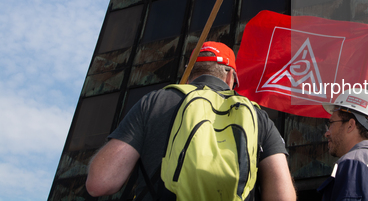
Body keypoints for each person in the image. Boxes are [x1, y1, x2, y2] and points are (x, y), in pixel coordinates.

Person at [86, 41, 296, 201]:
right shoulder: (258, 116)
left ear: (189, 76)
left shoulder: (156, 101)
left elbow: (100, 183)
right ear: (230, 77)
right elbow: (282, 197)